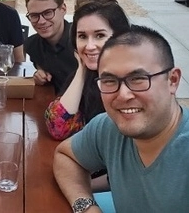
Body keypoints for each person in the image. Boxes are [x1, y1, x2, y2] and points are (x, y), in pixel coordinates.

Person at [53, 25, 188, 212]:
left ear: (172, 80)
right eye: (109, 81)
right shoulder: (108, 127)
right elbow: (65, 156)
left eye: (138, 78)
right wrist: (86, 206)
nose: (123, 95)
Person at [45, 0, 130, 141]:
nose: (89, 46)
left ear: (120, 37)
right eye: (82, 37)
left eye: (100, 35)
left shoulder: (132, 82)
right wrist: (81, 71)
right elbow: (58, 128)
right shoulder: (87, 76)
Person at [24, 0, 78, 94]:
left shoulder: (81, 40)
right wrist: (39, 73)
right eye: (34, 15)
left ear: (63, 9)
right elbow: (40, 66)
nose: (41, 21)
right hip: (55, 105)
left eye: (48, 13)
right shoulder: (32, 45)